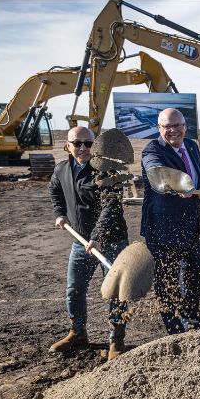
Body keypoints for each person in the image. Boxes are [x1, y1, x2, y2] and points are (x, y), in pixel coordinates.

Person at [48, 126, 129, 361]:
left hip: (111, 242)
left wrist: (97, 235)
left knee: (115, 292)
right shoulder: (61, 169)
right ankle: (78, 333)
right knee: (74, 289)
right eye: (77, 143)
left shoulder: (106, 172)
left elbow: (111, 206)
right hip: (80, 241)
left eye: (88, 143)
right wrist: (60, 213)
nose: (83, 148)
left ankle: (116, 340)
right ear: (68, 145)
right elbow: (54, 190)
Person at [141, 108, 200, 334]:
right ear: (159, 128)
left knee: (192, 275)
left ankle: (192, 320)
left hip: (190, 223)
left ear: (185, 126)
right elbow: (156, 171)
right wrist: (177, 184)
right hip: (163, 227)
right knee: (167, 279)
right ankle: (174, 329)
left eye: (177, 125)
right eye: (167, 126)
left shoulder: (191, 145)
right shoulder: (152, 149)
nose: (173, 130)